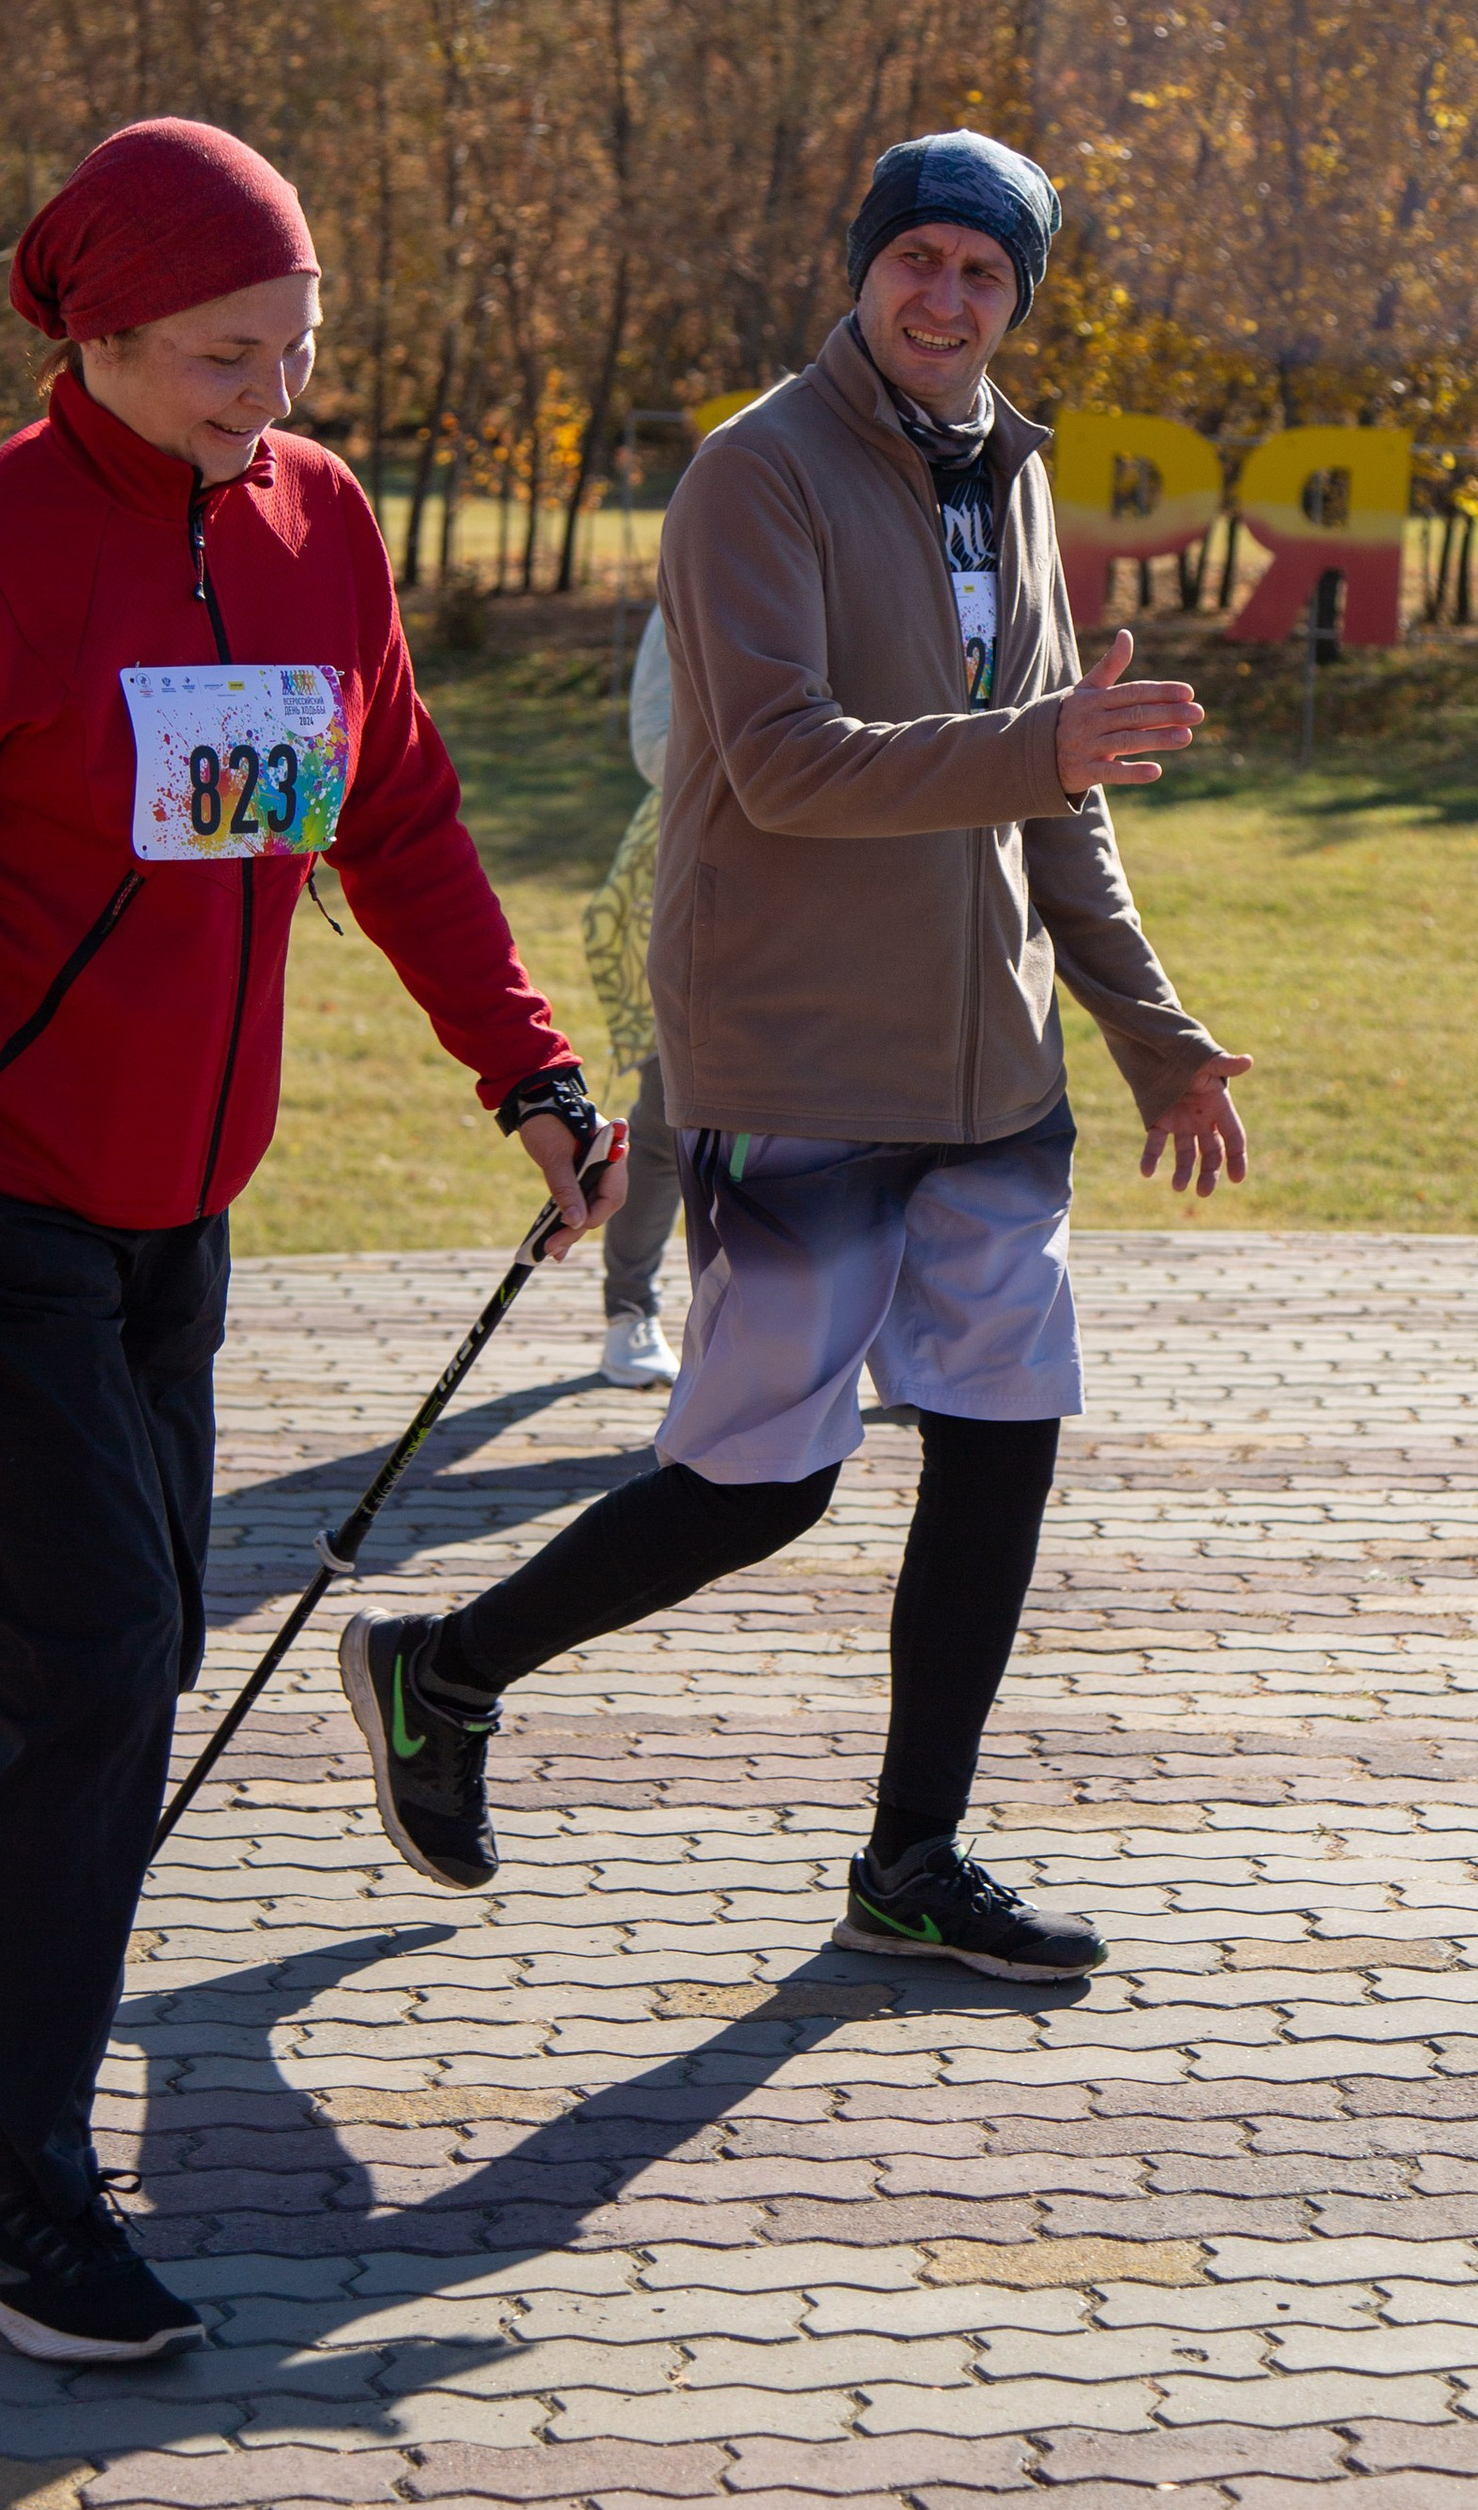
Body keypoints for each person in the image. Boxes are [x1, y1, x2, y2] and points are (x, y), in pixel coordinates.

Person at [0, 118, 622, 2366]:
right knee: (101, 1669)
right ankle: (18, 2206)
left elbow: (388, 808)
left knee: (93, 1653)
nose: (263, 394)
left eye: (293, 345)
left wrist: (531, 1070)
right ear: (91, 337)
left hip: (178, 1213)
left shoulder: (316, 532)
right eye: (219, 353)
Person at [339, 129, 1248, 1982]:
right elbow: (783, 761)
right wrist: (1041, 747)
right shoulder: (757, 474)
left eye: (986, 275)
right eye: (919, 259)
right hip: (800, 1052)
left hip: (990, 1068)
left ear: (1020, 302)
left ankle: (912, 1859)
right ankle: (443, 1670)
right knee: (766, 1481)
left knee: (1004, 1443)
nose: (946, 297)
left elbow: (1056, 801)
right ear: (864, 268)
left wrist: (1153, 1031)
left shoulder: (1017, 475)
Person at [582, 607, 682, 1387]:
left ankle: (886, 1328)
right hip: (704, 856)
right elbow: (654, 736)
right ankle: (631, 1308)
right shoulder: (713, 553)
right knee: (669, 1117)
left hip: (865, 868)